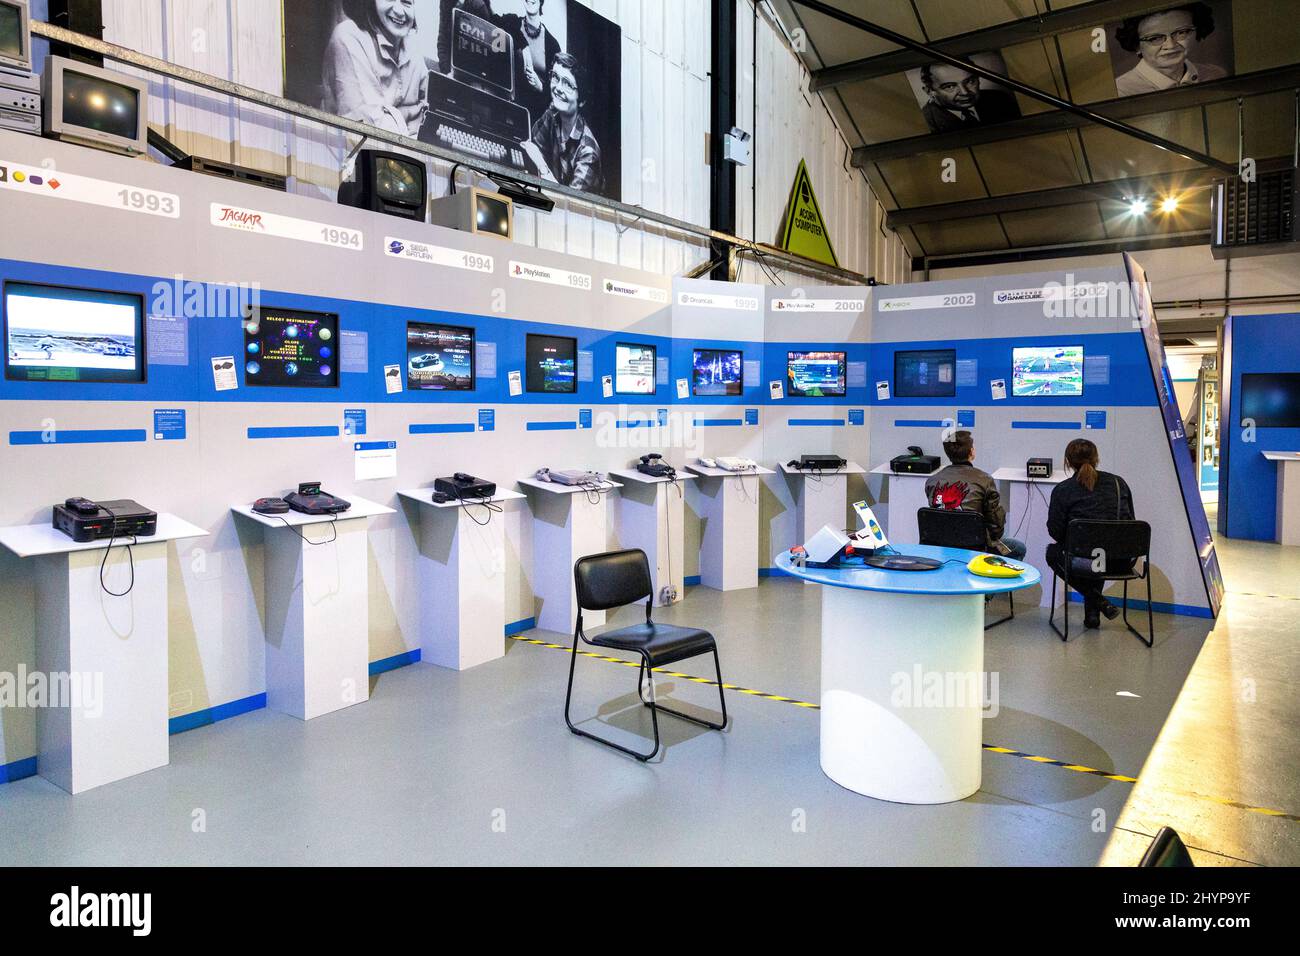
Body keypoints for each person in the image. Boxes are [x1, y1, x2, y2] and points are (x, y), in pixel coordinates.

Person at [1046, 439, 1137, 629]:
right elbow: (1130, 523)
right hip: (1120, 561)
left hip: (1080, 560)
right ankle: (1094, 612)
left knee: (1053, 553)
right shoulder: (1118, 483)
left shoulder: (1063, 490)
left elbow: (1055, 532)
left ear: (1068, 462)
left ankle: (1097, 601)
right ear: (1096, 458)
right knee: (1101, 553)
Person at [323, 0, 429, 136]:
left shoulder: (413, 50)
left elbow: (429, 116)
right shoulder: (347, 37)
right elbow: (366, 125)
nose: (399, 11)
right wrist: (408, 114)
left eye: (407, 2)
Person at [924, 430, 1027, 560]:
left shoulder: (932, 481)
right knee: (1018, 548)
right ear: (971, 452)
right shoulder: (985, 480)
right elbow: (996, 528)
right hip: (976, 548)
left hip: (941, 547)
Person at [523, 52, 603, 193]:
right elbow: (530, 149)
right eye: (555, 77)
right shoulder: (552, 115)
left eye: (567, 84)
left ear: (582, 100)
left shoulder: (588, 152)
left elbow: (568, 204)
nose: (558, 88)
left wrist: (541, 166)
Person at [1114, 3, 1226, 97]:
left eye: (1181, 32)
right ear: (1137, 46)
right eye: (1155, 38)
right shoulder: (1121, 90)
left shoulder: (1216, 74)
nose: (1171, 45)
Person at [496, 0, 561, 124]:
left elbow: (556, 91)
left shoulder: (553, 45)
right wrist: (524, 45)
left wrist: (541, 86)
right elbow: (491, 18)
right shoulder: (512, 22)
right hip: (507, 109)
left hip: (534, 117)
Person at [919, 63, 1020, 133]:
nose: (965, 92)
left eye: (970, 81)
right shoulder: (925, 122)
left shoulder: (999, 99)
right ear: (929, 91)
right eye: (950, 86)